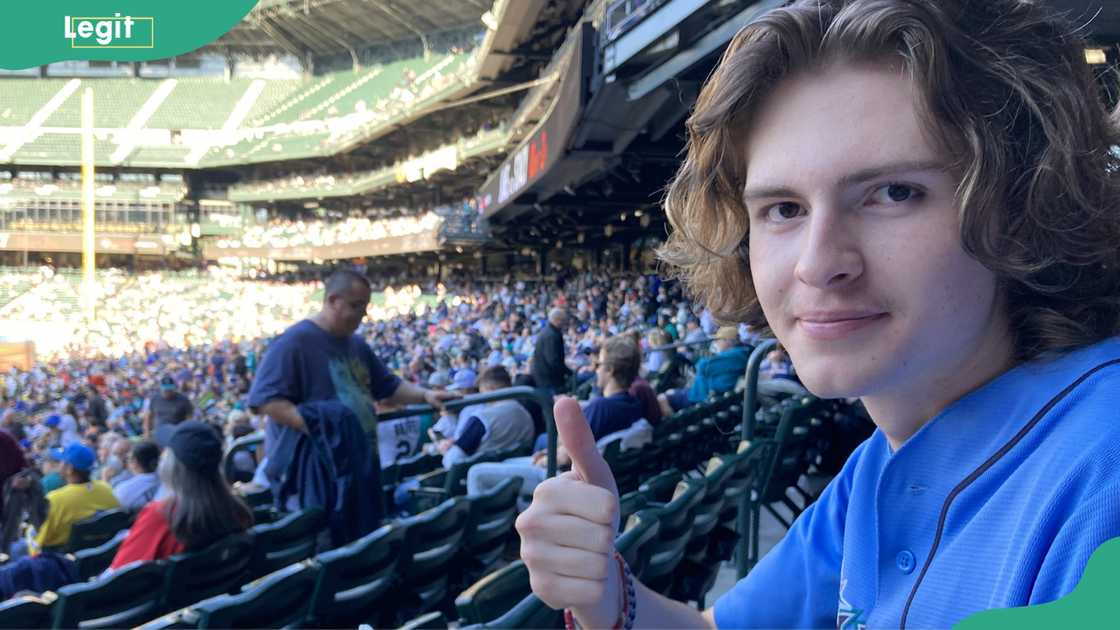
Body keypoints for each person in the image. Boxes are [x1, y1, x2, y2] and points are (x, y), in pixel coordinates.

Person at [516, 1, 1120, 628]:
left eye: (894, 193)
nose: (817, 263)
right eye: (784, 209)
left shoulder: (1103, 480)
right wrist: (608, 596)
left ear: (1020, 206)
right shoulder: (883, 460)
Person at [248, 268, 457, 523]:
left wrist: (426, 395)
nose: (363, 314)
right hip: (315, 473)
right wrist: (324, 429)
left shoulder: (356, 344)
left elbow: (387, 385)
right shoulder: (293, 342)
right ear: (333, 300)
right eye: (356, 306)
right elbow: (267, 401)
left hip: (357, 466)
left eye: (365, 306)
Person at [110, 422, 252, 569]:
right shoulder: (238, 510)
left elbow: (118, 575)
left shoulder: (161, 515)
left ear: (173, 466)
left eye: (166, 451)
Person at [33, 443, 119, 552]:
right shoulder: (106, 488)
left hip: (63, 557)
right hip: (103, 552)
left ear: (69, 469)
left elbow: (39, 543)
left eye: (61, 462)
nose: (59, 466)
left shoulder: (54, 499)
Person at [658, 326, 750, 416]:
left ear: (728, 341)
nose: (716, 343)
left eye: (718, 340)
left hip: (702, 397)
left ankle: (676, 421)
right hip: (702, 392)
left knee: (662, 398)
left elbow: (702, 366)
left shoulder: (735, 355)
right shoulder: (739, 353)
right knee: (669, 392)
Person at [531, 308, 572, 395]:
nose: (564, 323)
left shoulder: (548, 331)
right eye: (563, 320)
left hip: (544, 375)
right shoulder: (551, 335)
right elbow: (553, 360)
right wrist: (567, 371)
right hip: (548, 378)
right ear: (557, 320)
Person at [112, 440, 162, 513]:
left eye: (128, 458)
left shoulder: (122, 489)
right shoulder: (171, 481)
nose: (126, 461)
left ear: (135, 462)